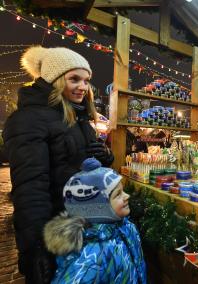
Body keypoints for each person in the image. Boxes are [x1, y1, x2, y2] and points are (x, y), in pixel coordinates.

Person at [2, 46, 114, 283]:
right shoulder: (28, 119)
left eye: (86, 80)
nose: (83, 87)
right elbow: (30, 188)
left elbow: (80, 165)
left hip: (80, 224)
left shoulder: (76, 115)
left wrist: (104, 156)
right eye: (74, 79)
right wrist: (35, 248)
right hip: (55, 230)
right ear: (54, 79)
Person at [44, 158, 147, 283]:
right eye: (118, 194)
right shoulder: (91, 259)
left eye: (123, 191)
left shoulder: (125, 227)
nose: (127, 196)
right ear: (99, 208)